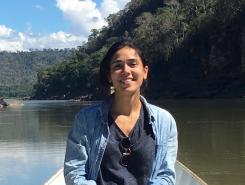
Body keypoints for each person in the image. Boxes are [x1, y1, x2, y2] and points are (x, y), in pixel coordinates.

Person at [64, 40, 178, 185]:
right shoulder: (86, 120)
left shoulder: (164, 121)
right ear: (109, 76)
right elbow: (74, 173)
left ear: (145, 71)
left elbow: (165, 176)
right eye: (118, 66)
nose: (126, 71)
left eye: (133, 64)